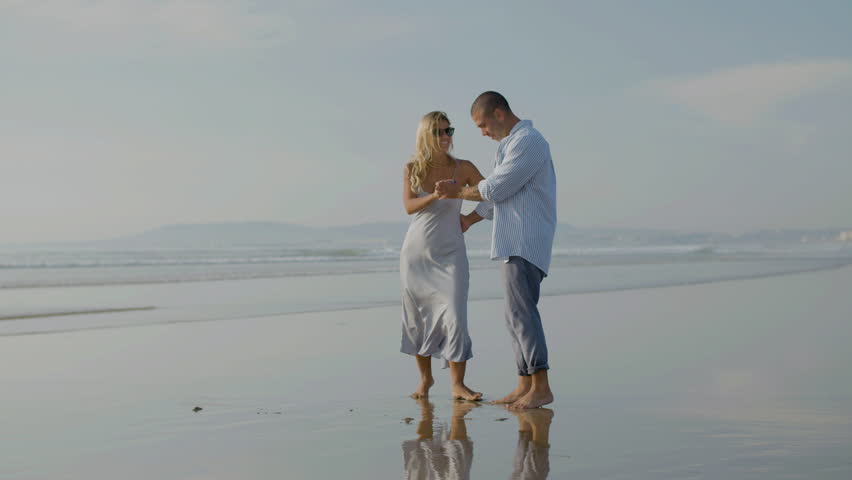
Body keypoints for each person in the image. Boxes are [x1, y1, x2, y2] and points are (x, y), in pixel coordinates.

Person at [435, 92, 557, 409]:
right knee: (513, 315)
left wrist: (457, 191)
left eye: (483, 125)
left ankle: (541, 386)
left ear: (499, 114)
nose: (483, 133)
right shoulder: (510, 146)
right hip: (511, 240)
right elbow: (497, 197)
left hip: (524, 240)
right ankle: (524, 383)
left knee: (522, 314)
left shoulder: (528, 141)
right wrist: (470, 220)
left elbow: (495, 188)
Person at [400, 111, 486, 401]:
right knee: (419, 317)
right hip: (416, 255)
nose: (446, 136)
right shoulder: (413, 167)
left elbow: (496, 195)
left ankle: (458, 384)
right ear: (426, 135)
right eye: (439, 131)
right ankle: (425, 381)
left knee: (456, 315)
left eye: (449, 130)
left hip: (451, 254)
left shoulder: (464, 167)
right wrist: (435, 196)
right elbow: (409, 206)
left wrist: (470, 218)